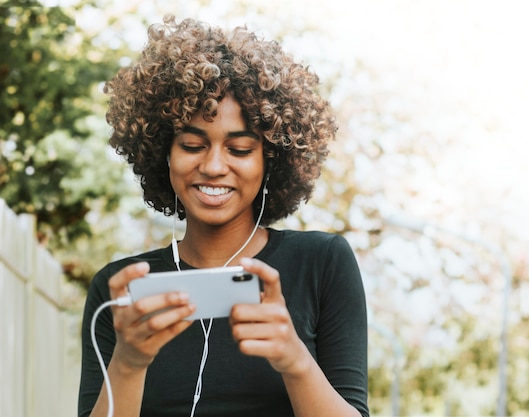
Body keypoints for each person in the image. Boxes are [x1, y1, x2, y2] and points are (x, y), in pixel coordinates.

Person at [78, 15, 369, 417]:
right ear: (163, 155)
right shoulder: (119, 290)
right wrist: (128, 363)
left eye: (240, 149)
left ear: (271, 160)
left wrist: (294, 359)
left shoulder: (322, 263)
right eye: (193, 144)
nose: (214, 166)